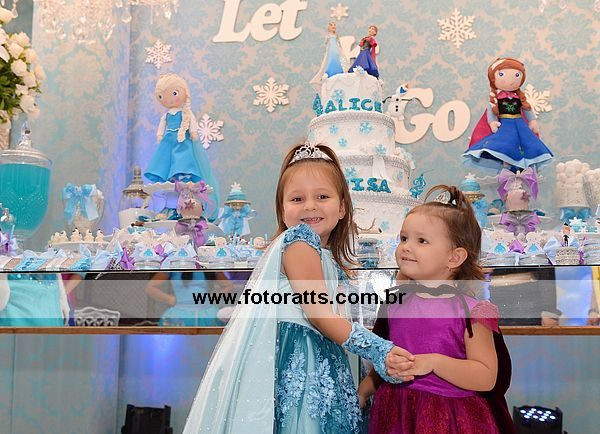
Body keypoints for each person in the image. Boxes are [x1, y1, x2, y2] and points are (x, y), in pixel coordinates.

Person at [183, 143, 415, 433]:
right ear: (282, 210)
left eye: (322, 196)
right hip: (301, 361)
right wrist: (378, 349)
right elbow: (318, 313)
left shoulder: (324, 256)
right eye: (297, 198)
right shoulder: (300, 242)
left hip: (322, 356)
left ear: (342, 207)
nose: (309, 206)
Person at [359, 185, 514, 433]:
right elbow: (388, 357)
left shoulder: (472, 312)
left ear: (454, 258)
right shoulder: (396, 304)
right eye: (404, 238)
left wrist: (434, 362)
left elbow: (486, 377)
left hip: (449, 417)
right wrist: (366, 388)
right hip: (396, 413)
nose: (406, 247)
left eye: (421, 241)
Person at [144, 73, 220, 220]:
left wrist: (193, 132)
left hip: (182, 141)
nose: (169, 99)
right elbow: (162, 126)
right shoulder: (166, 115)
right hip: (168, 142)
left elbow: (192, 122)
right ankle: (171, 178)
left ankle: (182, 174)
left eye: (174, 93)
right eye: (161, 96)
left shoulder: (186, 113)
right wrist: (159, 135)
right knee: (166, 161)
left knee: (182, 159)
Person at [463, 57, 553, 172]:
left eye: (517, 75)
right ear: (493, 78)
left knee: (526, 143)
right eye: (501, 74)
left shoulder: (519, 97)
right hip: (505, 125)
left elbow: (527, 109)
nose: (510, 80)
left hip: (520, 125)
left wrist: (532, 120)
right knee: (506, 143)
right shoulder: (496, 98)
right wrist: (492, 122)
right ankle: (507, 164)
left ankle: (520, 167)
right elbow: (491, 110)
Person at [310, 21, 348, 86]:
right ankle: (330, 72)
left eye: (334, 25)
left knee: (337, 60)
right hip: (331, 49)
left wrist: (341, 50)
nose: (333, 26)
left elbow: (339, 43)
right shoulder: (328, 35)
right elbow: (326, 43)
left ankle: (339, 71)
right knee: (331, 59)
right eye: (331, 25)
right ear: (329, 27)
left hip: (336, 49)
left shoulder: (336, 35)